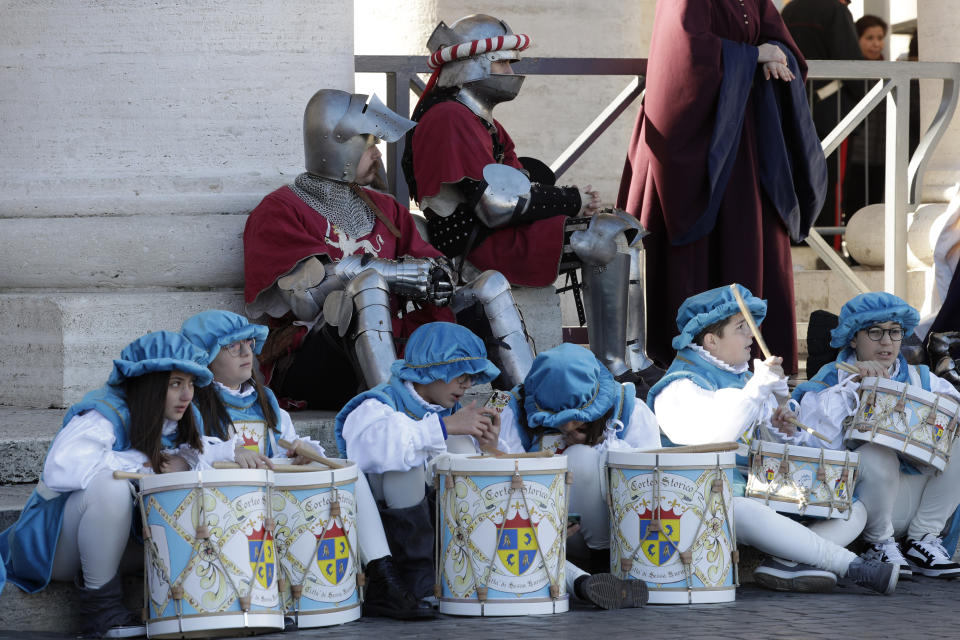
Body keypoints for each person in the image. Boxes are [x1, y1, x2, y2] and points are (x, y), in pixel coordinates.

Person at [404, 14, 661, 392]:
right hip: (475, 243)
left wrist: (561, 199)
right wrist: (569, 201)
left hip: (495, 231)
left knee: (624, 230)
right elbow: (493, 205)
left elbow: (517, 181)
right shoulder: (448, 118)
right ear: (476, 64)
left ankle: (633, 357)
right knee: (607, 236)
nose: (511, 70)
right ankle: (613, 365)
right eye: (504, 61)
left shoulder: (476, 117)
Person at [181, 309, 435, 619]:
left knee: (346, 472)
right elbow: (185, 454)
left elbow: (289, 439)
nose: (247, 352)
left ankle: (381, 574)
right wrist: (228, 452)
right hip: (230, 513)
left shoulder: (268, 402)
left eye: (249, 342)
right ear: (205, 355)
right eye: (233, 346)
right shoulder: (191, 405)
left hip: (279, 503)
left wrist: (304, 450)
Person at [618, 0, 826, 377]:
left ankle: (760, 370)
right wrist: (753, 56)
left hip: (749, 143)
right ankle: (692, 371)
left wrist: (774, 56)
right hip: (699, 141)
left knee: (750, 243)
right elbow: (683, 55)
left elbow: (781, 44)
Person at [648, 285, 895, 595]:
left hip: (755, 486)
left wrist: (781, 429)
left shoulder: (742, 377)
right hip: (697, 496)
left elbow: (762, 447)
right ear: (711, 340)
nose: (752, 336)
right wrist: (755, 391)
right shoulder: (679, 385)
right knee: (738, 508)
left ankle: (787, 563)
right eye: (741, 328)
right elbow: (715, 435)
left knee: (852, 508)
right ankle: (849, 565)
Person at [243, 88, 456, 411]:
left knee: (490, 286)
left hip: (394, 346)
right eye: (369, 143)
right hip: (317, 360)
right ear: (336, 145)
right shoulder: (280, 211)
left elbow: (428, 262)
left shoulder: (387, 209)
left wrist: (439, 276)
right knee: (366, 286)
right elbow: (306, 299)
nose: (378, 155)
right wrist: (396, 274)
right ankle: (394, 415)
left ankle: (529, 408)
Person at [0, 331, 217, 638]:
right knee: (110, 487)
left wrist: (231, 454)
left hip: (123, 544)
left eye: (191, 384)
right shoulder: (104, 413)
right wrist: (147, 464)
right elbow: (63, 470)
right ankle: (100, 611)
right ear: (149, 385)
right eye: (175, 384)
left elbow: (205, 453)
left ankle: (216, 603)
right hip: (52, 547)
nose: (187, 395)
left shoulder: (182, 419)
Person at [792, 292, 960, 578]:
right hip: (864, 507)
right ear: (853, 338)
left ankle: (922, 541)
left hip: (918, 503)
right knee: (875, 449)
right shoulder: (831, 380)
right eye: (875, 331)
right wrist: (854, 390)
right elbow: (815, 444)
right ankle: (879, 544)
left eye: (894, 332)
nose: (886, 342)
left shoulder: (921, 377)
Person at [335, 322, 501, 600]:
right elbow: (376, 450)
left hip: (446, 537)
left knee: (460, 446)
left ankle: (460, 568)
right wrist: (444, 427)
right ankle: (414, 577)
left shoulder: (456, 411)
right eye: (459, 372)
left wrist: (489, 449)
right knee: (405, 463)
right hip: (386, 538)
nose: (468, 383)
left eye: (472, 375)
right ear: (430, 369)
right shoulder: (378, 404)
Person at [496, 343, 658, 609]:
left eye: (579, 423)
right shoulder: (513, 411)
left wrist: (602, 455)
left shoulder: (629, 408)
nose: (566, 430)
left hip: (618, 534)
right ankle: (590, 583)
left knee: (581, 457)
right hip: (541, 530)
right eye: (555, 421)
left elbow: (650, 484)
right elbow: (503, 491)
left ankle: (604, 568)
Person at [782, 0, 864, 228]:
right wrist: (866, 96)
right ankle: (828, 247)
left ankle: (799, 240)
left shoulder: (790, 9)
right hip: (832, 114)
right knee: (831, 185)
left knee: (797, 182)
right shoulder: (835, 10)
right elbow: (852, 64)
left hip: (794, 109)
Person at [843, 15, 888, 217]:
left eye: (880, 37)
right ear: (857, 39)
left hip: (882, 158)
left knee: (876, 212)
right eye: (870, 38)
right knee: (854, 208)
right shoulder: (852, 72)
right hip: (855, 157)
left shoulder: (890, 71)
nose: (876, 44)